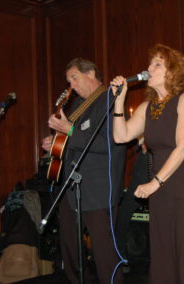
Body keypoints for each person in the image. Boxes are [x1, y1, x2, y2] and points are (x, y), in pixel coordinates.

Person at [111, 43, 184, 284]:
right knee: (163, 250)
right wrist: (119, 101)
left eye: (157, 64)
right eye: (150, 63)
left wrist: (155, 182)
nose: (149, 68)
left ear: (172, 72)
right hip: (161, 188)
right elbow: (121, 136)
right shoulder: (147, 108)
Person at [42, 58, 126, 284]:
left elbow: (109, 143)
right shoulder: (80, 105)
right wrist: (57, 143)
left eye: (74, 78)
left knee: (104, 253)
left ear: (90, 73)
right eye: (68, 80)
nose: (71, 85)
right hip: (72, 189)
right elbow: (77, 142)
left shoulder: (110, 98)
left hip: (99, 191)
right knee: (69, 249)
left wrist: (68, 130)